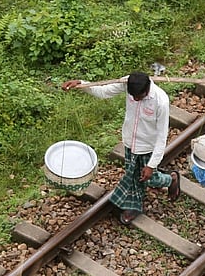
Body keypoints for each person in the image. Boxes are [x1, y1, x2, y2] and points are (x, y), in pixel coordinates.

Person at [62, 72, 180, 225]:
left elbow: (162, 136)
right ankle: (134, 207)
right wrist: (81, 83)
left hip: (147, 147)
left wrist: (151, 165)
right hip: (129, 142)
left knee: (148, 177)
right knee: (134, 177)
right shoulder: (127, 83)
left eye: (139, 97)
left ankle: (171, 179)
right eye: (133, 97)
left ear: (147, 90)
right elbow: (103, 91)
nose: (136, 99)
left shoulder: (160, 101)